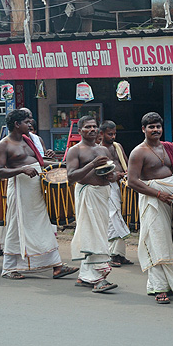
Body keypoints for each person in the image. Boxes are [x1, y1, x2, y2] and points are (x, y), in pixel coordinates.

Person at [0, 109, 78, 280]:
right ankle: (9, 268)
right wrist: (21, 170)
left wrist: (61, 164)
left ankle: (56, 266)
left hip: (36, 188)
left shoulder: (28, 139)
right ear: (17, 124)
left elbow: (38, 162)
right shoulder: (4, 144)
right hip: (19, 188)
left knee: (42, 226)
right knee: (17, 227)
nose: (30, 124)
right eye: (27, 121)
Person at [127, 112, 173, 304]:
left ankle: (166, 284)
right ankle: (159, 288)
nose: (155, 130)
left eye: (158, 126)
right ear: (143, 129)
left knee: (166, 241)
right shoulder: (138, 152)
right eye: (151, 127)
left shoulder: (168, 148)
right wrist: (159, 194)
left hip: (170, 200)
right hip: (153, 201)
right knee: (156, 241)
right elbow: (132, 181)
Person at [66, 116, 118, 293]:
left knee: (99, 232)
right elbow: (71, 176)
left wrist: (112, 176)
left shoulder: (103, 148)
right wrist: (92, 164)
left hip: (103, 194)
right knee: (91, 233)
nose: (92, 129)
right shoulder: (75, 150)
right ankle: (98, 277)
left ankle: (85, 275)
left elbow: (112, 170)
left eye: (94, 126)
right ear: (79, 130)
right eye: (87, 127)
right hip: (87, 193)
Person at [99, 120, 133, 267]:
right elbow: (100, 171)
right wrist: (114, 175)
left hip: (121, 185)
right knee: (113, 217)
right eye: (109, 134)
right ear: (101, 134)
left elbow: (126, 162)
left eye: (114, 134)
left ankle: (120, 254)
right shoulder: (98, 150)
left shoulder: (117, 146)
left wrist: (125, 173)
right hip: (108, 186)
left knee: (120, 216)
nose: (113, 136)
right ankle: (112, 255)